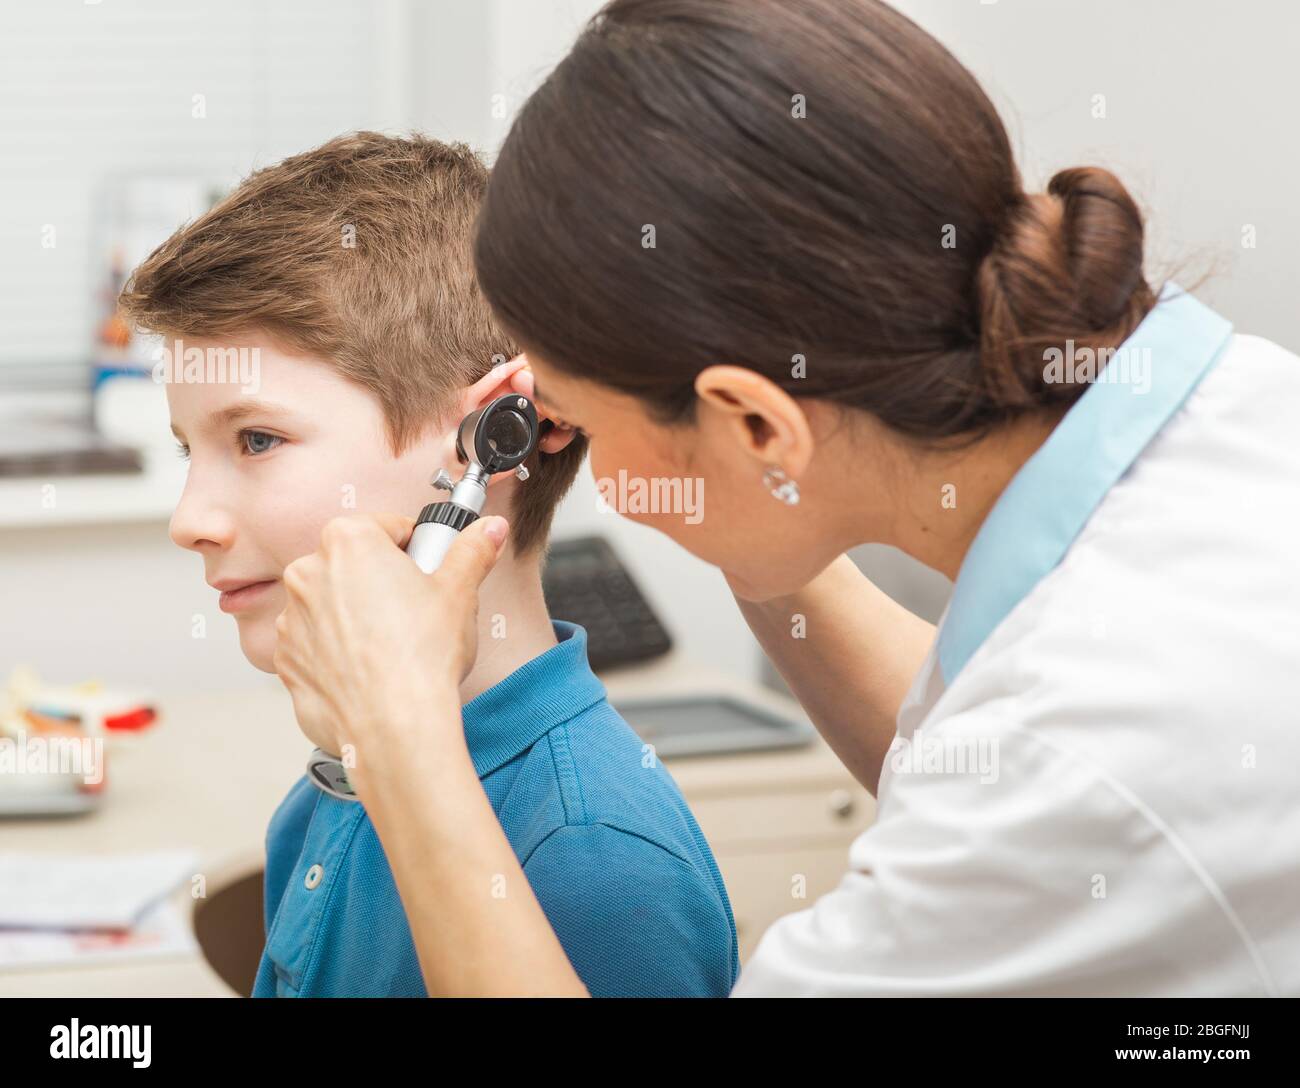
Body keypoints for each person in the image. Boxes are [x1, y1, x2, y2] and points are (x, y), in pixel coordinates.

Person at [274, 0, 1300, 996]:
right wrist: (751, 509)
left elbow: (1040, 760)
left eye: (583, 409)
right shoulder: (1226, 415)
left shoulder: (1079, 754)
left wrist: (399, 732)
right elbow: (951, 737)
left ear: (759, 423)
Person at [120, 132, 740, 998]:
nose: (191, 521)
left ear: (497, 436)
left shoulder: (592, 862)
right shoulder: (333, 789)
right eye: (191, 451)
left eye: (257, 439)